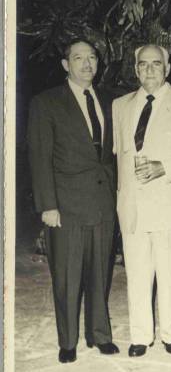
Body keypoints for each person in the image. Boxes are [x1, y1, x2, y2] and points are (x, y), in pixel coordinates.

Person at [112, 44, 171, 357]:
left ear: (168, 69)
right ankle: (140, 335)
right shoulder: (120, 106)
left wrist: (164, 167)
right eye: (143, 64)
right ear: (136, 69)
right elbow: (119, 156)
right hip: (134, 207)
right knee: (137, 274)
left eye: (156, 64)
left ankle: (170, 334)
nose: (150, 70)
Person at [27, 39, 119, 363]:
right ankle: (68, 341)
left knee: (100, 273)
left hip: (103, 203)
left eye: (91, 57)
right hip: (64, 206)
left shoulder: (110, 101)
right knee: (67, 276)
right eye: (78, 58)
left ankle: (100, 335)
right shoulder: (47, 102)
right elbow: (40, 158)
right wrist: (47, 206)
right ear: (66, 65)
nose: (86, 64)